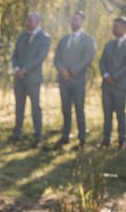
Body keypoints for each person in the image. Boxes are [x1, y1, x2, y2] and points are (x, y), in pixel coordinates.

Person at [53, 11, 96, 149]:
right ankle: (65, 136)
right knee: (65, 109)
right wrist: (62, 70)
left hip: (77, 81)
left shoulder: (88, 40)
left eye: (76, 20)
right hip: (64, 81)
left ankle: (82, 139)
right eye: (72, 20)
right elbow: (57, 58)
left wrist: (71, 71)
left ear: (82, 22)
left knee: (79, 109)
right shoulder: (64, 39)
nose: (73, 22)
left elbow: (87, 59)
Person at [11, 12, 51, 146]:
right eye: (27, 20)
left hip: (33, 79)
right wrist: (17, 69)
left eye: (30, 21)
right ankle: (17, 133)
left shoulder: (44, 38)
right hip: (19, 79)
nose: (28, 23)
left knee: (35, 107)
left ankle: (38, 135)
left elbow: (39, 58)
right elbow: (15, 55)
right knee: (19, 106)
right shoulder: (22, 37)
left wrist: (25, 70)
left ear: (38, 22)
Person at [99, 16, 126, 149]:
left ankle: (122, 140)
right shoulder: (108, 45)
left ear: (124, 27)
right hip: (106, 86)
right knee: (107, 114)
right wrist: (106, 75)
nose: (113, 28)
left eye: (116, 26)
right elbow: (102, 62)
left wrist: (114, 77)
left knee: (120, 114)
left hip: (120, 86)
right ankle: (106, 139)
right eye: (113, 26)